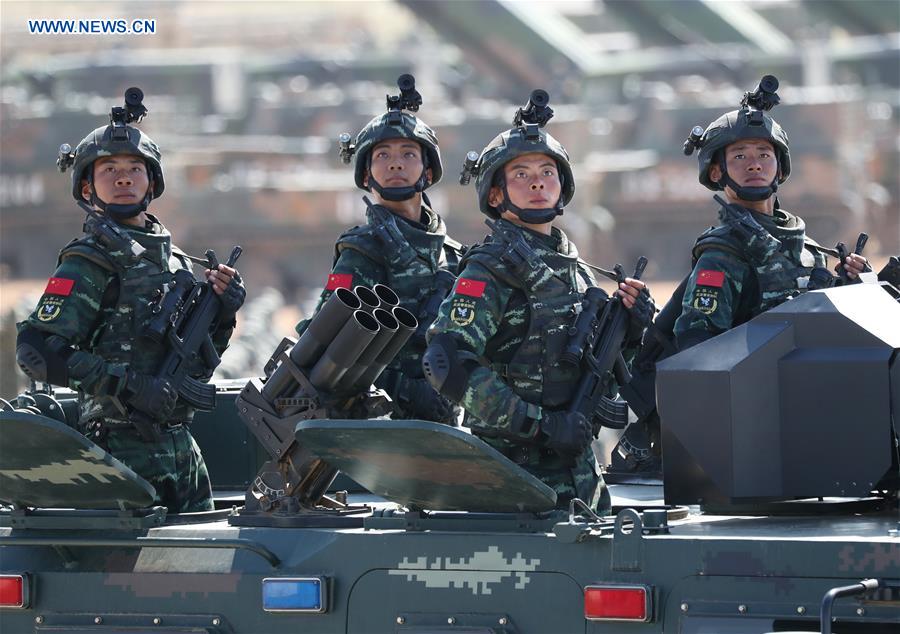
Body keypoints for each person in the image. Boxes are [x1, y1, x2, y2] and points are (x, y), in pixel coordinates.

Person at [15, 89, 245, 513]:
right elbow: (37, 350)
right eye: (109, 169)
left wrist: (223, 313)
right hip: (117, 455)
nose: (123, 178)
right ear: (88, 185)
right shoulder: (89, 261)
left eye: (135, 168)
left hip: (182, 451)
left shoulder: (174, 259)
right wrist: (131, 385)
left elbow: (199, 363)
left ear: (152, 181)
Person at [423, 91, 653, 514]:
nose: (537, 182)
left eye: (548, 172)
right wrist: (541, 426)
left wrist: (633, 332)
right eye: (521, 174)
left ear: (562, 186)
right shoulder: (490, 270)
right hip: (511, 484)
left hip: (582, 481)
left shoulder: (575, 269)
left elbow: (605, 378)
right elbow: (446, 363)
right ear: (495, 196)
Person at [296, 75, 463, 425]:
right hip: (382, 429)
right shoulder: (362, 251)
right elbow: (325, 351)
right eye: (382, 155)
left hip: (445, 427)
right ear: (367, 174)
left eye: (408, 153)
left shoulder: (453, 255)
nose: (395, 163)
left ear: (428, 170)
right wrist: (406, 391)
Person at [674, 75, 868, 350]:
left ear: (780, 166)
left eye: (764, 155)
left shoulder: (808, 250)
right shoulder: (721, 257)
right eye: (740, 156)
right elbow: (696, 350)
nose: (754, 165)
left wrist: (854, 287)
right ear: (717, 171)